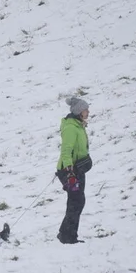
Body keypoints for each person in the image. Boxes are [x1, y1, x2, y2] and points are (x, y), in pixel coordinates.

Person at [56, 97, 93, 244]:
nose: (88, 112)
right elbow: (66, 152)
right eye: (85, 110)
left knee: (77, 201)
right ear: (79, 111)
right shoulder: (71, 128)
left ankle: (67, 234)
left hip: (77, 169)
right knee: (76, 201)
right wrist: (70, 173)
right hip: (69, 170)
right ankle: (67, 236)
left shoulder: (79, 125)